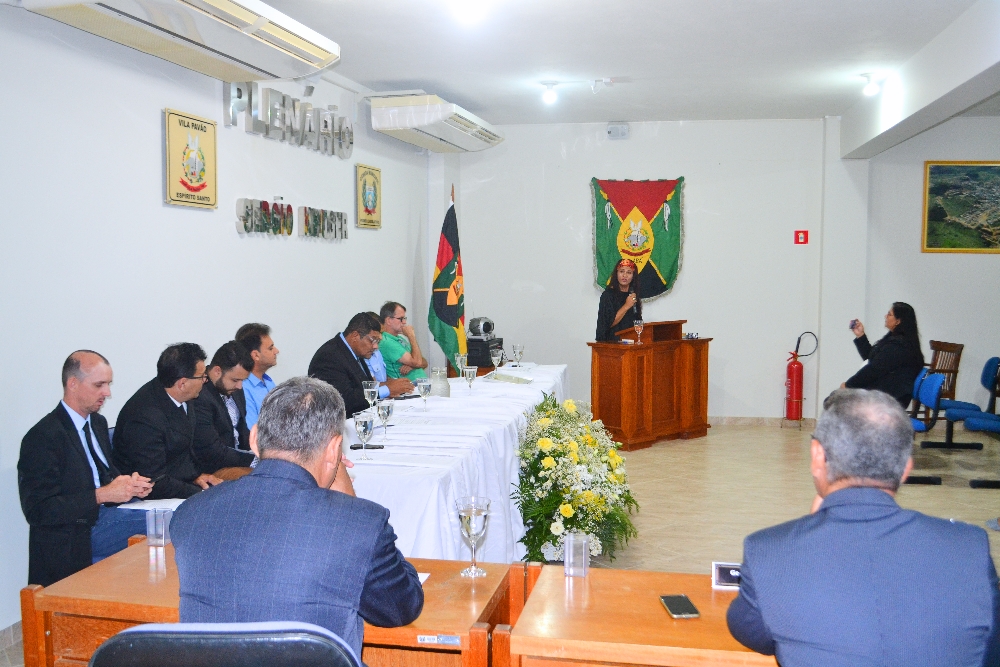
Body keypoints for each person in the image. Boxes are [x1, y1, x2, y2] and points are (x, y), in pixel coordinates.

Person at [727, 388, 1000, 667]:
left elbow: (751, 633)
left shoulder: (769, 551)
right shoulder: (969, 548)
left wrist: (807, 529)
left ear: (817, 456)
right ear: (906, 468)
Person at [171, 377, 423, 657]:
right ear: (334, 449)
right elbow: (400, 607)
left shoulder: (189, 513)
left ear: (254, 439)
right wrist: (344, 493)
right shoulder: (359, 523)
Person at [18, 351, 152, 586]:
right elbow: (38, 510)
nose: (107, 393)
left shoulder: (97, 423)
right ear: (73, 384)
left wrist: (129, 485)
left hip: (107, 515)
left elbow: (104, 475)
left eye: (108, 384)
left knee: (176, 513)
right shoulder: (42, 437)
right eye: (99, 385)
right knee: (170, 520)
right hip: (75, 531)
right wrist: (102, 495)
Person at [113, 343, 223, 499]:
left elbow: (180, 453)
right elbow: (154, 481)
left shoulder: (183, 394)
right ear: (182, 383)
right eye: (202, 376)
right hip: (145, 497)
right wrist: (201, 494)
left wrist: (196, 476)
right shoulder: (144, 417)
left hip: (177, 484)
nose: (205, 380)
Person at [308, 313, 413, 416]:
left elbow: (362, 387)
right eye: (373, 340)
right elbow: (345, 400)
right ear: (355, 336)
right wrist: (387, 390)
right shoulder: (329, 356)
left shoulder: (355, 351)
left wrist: (389, 385)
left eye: (378, 341)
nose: (376, 346)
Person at [190, 341, 257, 471]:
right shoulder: (199, 396)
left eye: (242, 380)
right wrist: (255, 460)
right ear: (217, 371)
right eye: (235, 380)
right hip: (216, 468)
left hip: (238, 462)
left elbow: (242, 432)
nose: (240, 386)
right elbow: (211, 451)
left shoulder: (235, 389)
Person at [843, 302, 924, 407]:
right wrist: (861, 336)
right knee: (835, 400)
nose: (885, 316)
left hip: (890, 399)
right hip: (884, 393)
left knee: (836, 401)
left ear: (898, 321)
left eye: (889, 314)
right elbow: (872, 359)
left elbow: (873, 369)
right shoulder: (895, 339)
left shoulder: (899, 346)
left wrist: (848, 385)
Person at [235, 323, 279, 428]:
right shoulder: (243, 387)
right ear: (255, 355)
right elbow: (253, 431)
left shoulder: (268, 381)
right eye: (270, 348)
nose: (276, 351)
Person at [378, 301, 428, 381]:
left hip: (421, 384)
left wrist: (412, 365)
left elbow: (424, 362)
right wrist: (411, 336)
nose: (404, 322)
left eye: (404, 318)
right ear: (388, 320)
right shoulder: (387, 342)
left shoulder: (400, 339)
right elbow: (418, 362)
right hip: (409, 387)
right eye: (401, 319)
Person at [596, 258, 643, 342]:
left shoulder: (633, 296)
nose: (625, 275)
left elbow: (638, 323)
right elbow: (608, 323)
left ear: (633, 276)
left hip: (630, 343)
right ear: (616, 273)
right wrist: (626, 306)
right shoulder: (608, 295)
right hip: (611, 344)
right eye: (621, 271)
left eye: (629, 272)